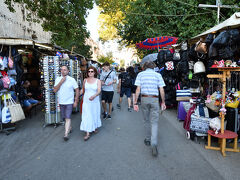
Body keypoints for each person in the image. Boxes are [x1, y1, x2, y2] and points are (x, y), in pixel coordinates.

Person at [133, 61, 166, 157]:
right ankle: (154, 143)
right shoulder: (157, 75)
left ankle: (148, 139)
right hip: (155, 99)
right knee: (154, 122)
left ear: (144, 67)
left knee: (146, 120)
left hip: (144, 98)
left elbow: (138, 89)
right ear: (153, 67)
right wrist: (163, 102)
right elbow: (161, 89)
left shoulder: (140, 74)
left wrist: (135, 102)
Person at [53, 65, 79, 141]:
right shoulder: (58, 79)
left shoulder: (72, 80)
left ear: (68, 71)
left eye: (65, 70)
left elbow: (77, 89)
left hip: (69, 102)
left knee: (68, 117)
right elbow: (55, 90)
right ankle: (69, 127)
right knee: (64, 117)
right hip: (61, 102)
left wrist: (76, 100)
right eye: (62, 70)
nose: (63, 71)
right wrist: (61, 82)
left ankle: (66, 134)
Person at [80, 66, 101, 141]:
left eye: (92, 71)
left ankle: (94, 126)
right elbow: (83, 90)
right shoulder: (85, 80)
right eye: (89, 71)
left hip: (94, 100)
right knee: (87, 115)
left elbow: (99, 91)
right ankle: (87, 133)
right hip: (86, 101)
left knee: (94, 113)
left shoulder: (98, 81)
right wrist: (76, 97)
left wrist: (94, 96)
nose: (90, 73)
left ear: (94, 72)